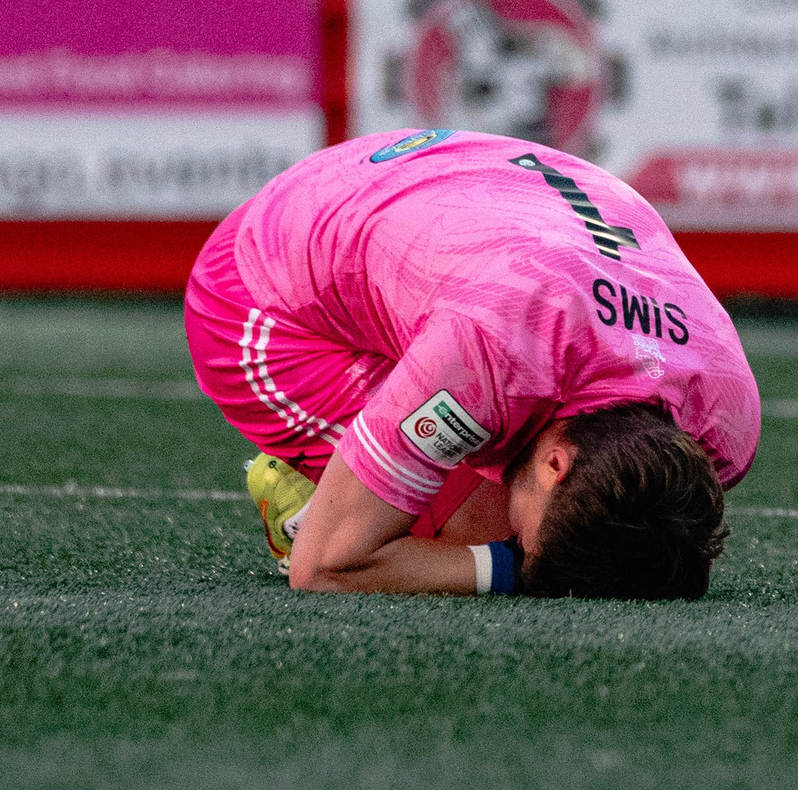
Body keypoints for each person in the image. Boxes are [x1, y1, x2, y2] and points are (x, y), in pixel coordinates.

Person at [185, 128, 761, 599]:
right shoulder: (490, 357)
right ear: (556, 463)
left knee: (573, 534)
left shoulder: (726, 415)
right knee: (477, 534)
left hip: (451, 174)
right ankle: (309, 494)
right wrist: (526, 570)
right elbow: (324, 571)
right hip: (264, 285)